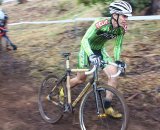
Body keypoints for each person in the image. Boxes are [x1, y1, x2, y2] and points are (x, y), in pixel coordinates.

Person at [69, 1, 132, 118]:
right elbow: (84, 40)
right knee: (80, 79)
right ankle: (63, 89)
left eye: (127, 16)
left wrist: (117, 60)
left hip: (99, 50)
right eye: (124, 15)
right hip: (86, 49)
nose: (126, 19)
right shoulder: (100, 23)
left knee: (113, 73)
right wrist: (91, 55)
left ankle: (107, 106)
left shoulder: (121, 28)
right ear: (115, 15)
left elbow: (118, 45)